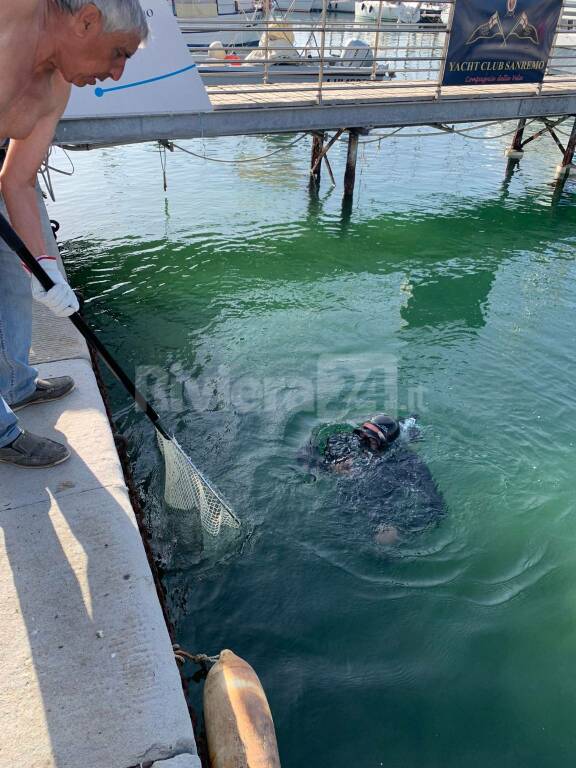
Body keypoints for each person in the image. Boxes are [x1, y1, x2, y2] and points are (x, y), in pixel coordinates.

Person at [0, 0, 148, 467]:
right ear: (86, 20)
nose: (118, 73)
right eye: (118, 52)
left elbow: (18, 180)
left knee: (15, 279)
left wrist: (44, 267)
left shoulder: (57, 86)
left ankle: (17, 384)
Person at [303, 414, 446, 545]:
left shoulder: (405, 462)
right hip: (350, 494)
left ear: (383, 445)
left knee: (386, 537)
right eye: (361, 435)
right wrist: (331, 466)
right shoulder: (343, 442)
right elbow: (304, 456)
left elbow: (436, 506)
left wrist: (406, 530)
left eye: (370, 440)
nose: (362, 442)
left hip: (381, 500)